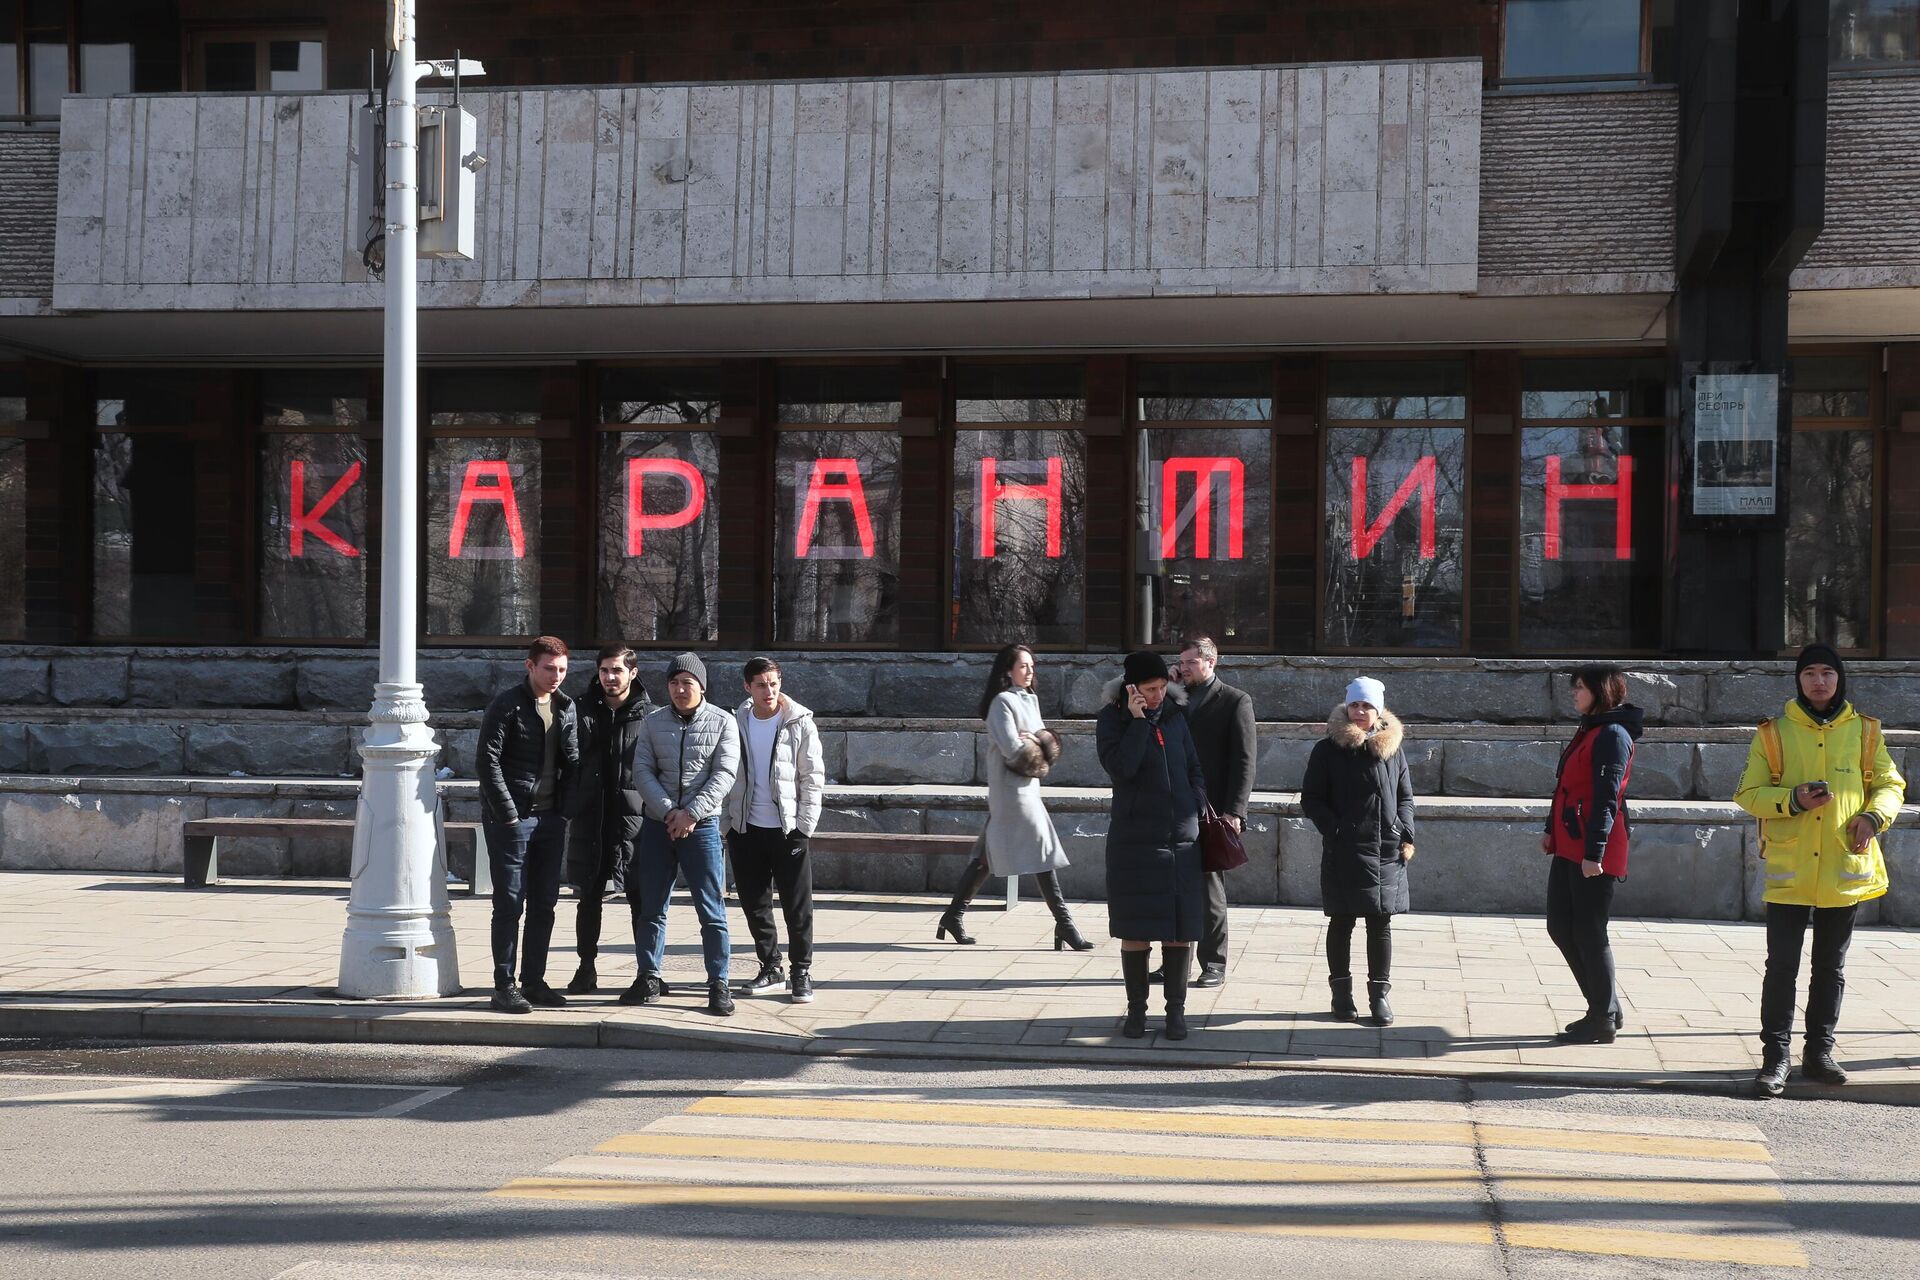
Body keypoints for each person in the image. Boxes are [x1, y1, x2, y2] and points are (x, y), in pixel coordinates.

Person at [1734, 642, 1905, 1097]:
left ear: (1839, 678)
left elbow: (1890, 784)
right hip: (1790, 869)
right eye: (1809, 672)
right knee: (1782, 967)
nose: (1819, 681)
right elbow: (1747, 792)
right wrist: (1792, 800)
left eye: (1827, 672)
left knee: (1831, 967)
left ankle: (1819, 1052)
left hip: (1843, 868)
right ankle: (1776, 1058)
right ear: (1798, 679)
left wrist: (1873, 817)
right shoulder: (1773, 733)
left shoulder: (1866, 732)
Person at [936, 644, 1091, 951]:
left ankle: (953, 916)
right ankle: (1065, 924)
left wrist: (1037, 742)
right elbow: (1014, 750)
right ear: (1008, 670)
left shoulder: (1029, 699)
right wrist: (1039, 743)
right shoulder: (1002, 702)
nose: (1030, 671)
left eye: (1032, 665)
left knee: (985, 856)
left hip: (1027, 787)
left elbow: (1042, 743)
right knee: (1042, 851)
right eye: (1023, 666)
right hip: (1011, 790)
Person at [1096, 650, 1208, 1041]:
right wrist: (1140, 722)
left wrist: (1195, 798)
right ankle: (1137, 1013)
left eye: (1162, 687)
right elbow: (1121, 768)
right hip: (1135, 842)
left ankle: (1176, 1012)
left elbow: (1193, 765)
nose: (1159, 695)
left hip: (1181, 841)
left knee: (1180, 929)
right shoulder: (1113, 720)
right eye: (1150, 689)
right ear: (1132, 689)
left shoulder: (1177, 716)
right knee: (1136, 930)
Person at [630, 653, 742, 1017]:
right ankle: (649, 975)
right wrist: (669, 812)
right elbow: (642, 770)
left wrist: (691, 813)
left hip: (703, 827)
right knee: (652, 907)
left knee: (712, 910)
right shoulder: (652, 722)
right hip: (658, 825)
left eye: (688, 683)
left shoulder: (724, 722)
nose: (680, 689)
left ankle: (718, 982)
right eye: (675, 683)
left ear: (702, 687)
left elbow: (724, 774)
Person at [1300, 677, 1414, 1027]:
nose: (1360, 711)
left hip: (1386, 850)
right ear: (1346, 708)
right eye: (1355, 705)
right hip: (1344, 850)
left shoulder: (1392, 748)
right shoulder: (1328, 749)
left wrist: (1404, 830)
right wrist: (1336, 829)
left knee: (1380, 923)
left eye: (1366, 705)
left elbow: (1405, 795)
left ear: (1378, 710)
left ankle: (1379, 995)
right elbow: (1312, 799)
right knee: (1342, 921)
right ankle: (1341, 993)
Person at [476, 636, 581, 1015]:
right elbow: (487, 762)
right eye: (549, 668)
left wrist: (565, 811)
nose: (556, 676)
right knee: (509, 903)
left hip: (551, 819)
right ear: (530, 666)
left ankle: (533, 981)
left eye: (562, 669)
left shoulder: (566, 707)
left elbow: (573, 763)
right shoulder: (506, 705)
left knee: (544, 904)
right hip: (513, 819)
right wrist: (507, 813)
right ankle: (504, 985)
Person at [1542, 665, 1642, 1045]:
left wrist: (1594, 851)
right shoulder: (1592, 728)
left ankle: (1601, 1015)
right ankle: (1606, 1007)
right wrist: (1550, 828)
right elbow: (1565, 785)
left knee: (1589, 931)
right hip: (1570, 840)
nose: (1574, 693)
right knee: (1560, 925)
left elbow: (1607, 797)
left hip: (1593, 847)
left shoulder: (1613, 735)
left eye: (1580, 688)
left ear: (1601, 691)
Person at [723, 657, 826, 1003]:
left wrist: (804, 827)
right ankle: (771, 966)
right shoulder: (735, 721)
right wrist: (729, 826)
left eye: (774, 682)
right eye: (761, 684)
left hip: (788, 830)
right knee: (755, 904)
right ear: (747, 687)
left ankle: (801, 971)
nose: (769, 691)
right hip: (745, 828)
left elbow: (812, 777)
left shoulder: (799, 722)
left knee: (797, 906)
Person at [562, 645, 654, 996]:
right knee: (588, 899)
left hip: (636, 821)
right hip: (591, 820)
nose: (610, 677)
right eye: (604, 670)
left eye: (617, 670)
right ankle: (586, 968)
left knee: (641, 901)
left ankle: (648, 972)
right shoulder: (579, 709)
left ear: (633, 672)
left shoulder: (650, 715)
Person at [1168, 634, 1255, 989]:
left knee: (1209, 890)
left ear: (1211, 662)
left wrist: (1235, 810)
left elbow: (1245, 761)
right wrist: (1171, 689)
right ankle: (1174, 961)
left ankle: (1213, 963)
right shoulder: (1172, 696)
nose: (1184, 668)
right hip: (1173, 804)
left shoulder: (1235, 701)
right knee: (1172, 887)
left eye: (1191, 662)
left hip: (1211, 810)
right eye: (1181, 662)